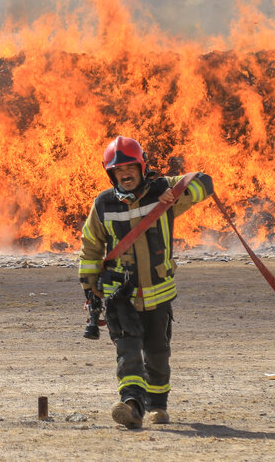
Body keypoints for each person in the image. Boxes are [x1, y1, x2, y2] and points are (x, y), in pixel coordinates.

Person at [79, 136, 214, 429]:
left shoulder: (162, 191)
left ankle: (157, 407)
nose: (125, 174)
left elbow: (205, 182)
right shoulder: (103, 204)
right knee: (128, 354)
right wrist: (89, 287)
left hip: (158, 292)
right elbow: (91, 245)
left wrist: (178, 193)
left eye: (130, 168)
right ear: (110, 174)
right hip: (120, 296)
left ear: (142, 167)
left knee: (157, 354)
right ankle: (132, 406)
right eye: (118, 171)